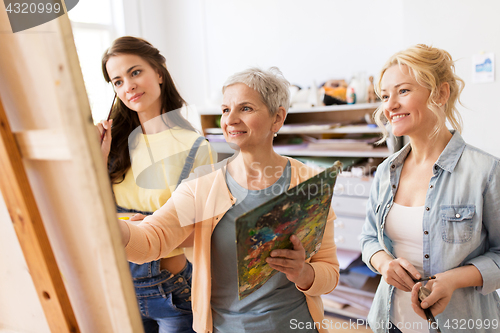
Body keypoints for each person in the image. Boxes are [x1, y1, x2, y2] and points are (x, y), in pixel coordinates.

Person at [118, 67, 340, 333]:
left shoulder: (309, 182)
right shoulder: (202, 186)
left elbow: (329, 273)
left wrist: (303, 273)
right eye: (225, 110)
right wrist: (109, 226)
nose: (230, 119)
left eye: (245, 108)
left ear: (277, 118)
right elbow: (151, 241)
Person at [360, 44, 500, 333]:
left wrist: (453, 280)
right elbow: (368, 238)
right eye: (385, 96)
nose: (390, 105)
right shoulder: (387, 171)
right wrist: (384, 263)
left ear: (440, 93)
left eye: (403, 91)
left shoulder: (485, 171)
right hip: (391, 323)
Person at [98, 36, 216, 333]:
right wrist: (97, 159)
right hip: (118, 286)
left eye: (135, 72)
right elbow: (89, 214)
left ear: (159, 73)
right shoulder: (112, 145)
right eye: (117, 81)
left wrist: (147, 232)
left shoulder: (194, 147)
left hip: (170, 292)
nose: (128, 86)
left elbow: (204, 232)